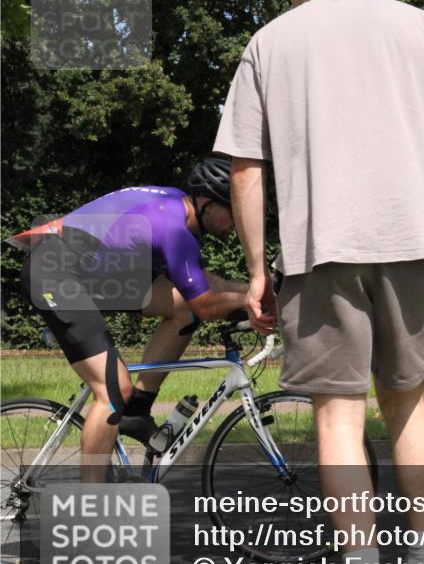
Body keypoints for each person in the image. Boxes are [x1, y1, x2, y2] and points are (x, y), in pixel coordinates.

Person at [213, 0, 424, 564]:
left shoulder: (270, 43)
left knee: (339, 417)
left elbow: (246, 169)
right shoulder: (418, 26)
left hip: (322, 248)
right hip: (414, 243)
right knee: (408, 405)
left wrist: (256, 271)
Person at [14, 157, 251, 479]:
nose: (240, 220)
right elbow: (209, 305)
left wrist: (258, 292)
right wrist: (254, 303)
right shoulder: (174, 229)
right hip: (56, 273)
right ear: (207, 204)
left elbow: (207, 288)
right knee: (113, 389)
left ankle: (137, 409)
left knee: (184, 309)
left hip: (94, 272)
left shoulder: (176, 209)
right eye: (234, 209)